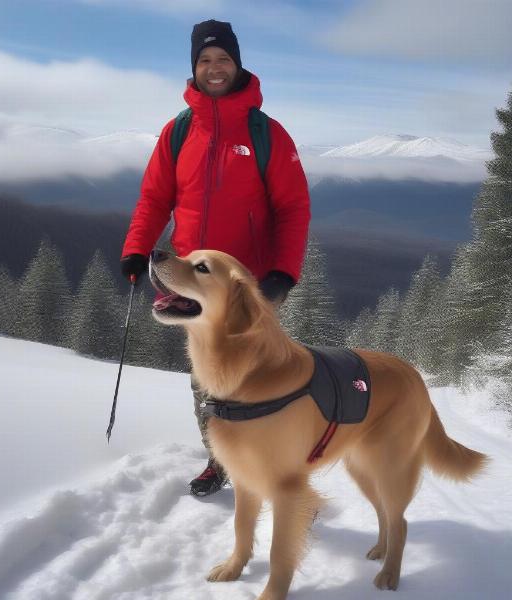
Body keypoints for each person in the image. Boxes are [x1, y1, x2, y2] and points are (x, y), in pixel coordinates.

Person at [120, 19, 310, 496]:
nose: (214, 68)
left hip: (250, 287)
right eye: (204, 60)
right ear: (194, 68)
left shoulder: (267, 134)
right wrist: (136, 249)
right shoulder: (179, 131)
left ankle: (280, 469)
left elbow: (292, 209)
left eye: (222, 58)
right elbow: (153, 199)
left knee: (264, 378)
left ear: (237, 63)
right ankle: (219, 459)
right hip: (194, 285)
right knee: (206, 378)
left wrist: (283, 273)